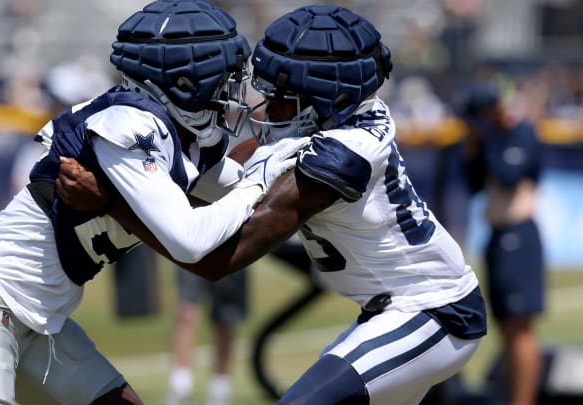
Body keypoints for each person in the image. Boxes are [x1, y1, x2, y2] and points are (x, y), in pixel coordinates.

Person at [56, 5, 488, 404]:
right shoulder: (329, 122)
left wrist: (111, 201)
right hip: (389, 310)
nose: (269, 108)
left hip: (434, 311)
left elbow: (218, 260)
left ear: (328, 97)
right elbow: (210, 183)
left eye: (284, 96)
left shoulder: (342, 155)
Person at [0, 1, 306, 404]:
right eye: (222, 76)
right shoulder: (128, 125)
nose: (230, 90)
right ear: (184, 80)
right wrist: (263, 176)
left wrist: (297, 143)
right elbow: (193, 239)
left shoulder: (175, 136)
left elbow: (240, 186)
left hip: (44, 323)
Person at [460, 81, 545, 405]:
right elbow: (473, 185)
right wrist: (475, 143)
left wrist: (490, 137)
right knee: (506, 329)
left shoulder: (521, 132)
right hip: (497, 236)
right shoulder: (490, 138)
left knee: (520, 329)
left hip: (520, 235)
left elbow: (510, 176)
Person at [161, 266, 248, 405]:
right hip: (193, 249)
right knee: (186, 313)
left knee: (225, 319)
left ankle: (220, 390)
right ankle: (180, 388)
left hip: (229, 251)